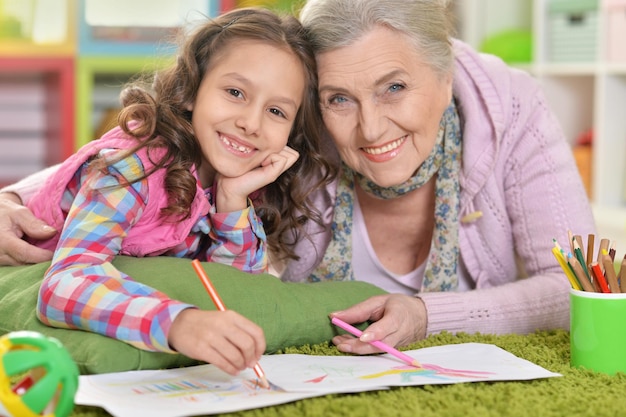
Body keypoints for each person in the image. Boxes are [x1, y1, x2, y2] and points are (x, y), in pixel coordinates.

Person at [0, 0, 597, 356]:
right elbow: (99, 171)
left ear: (447, 78)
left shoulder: (509, 109)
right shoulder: (274, 132)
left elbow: (579, 289)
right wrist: (8, 199)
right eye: (339, 99)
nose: (369, 128)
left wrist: (427, 315)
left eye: (395, 87)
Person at [0, 7, 334, 376]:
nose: (251, 123)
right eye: (235, 92)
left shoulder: (240, 184)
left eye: (276, 111)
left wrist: (232, 200)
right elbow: (63, 285)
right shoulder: (132, 166)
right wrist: (178, 323)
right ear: (191, 91)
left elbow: (237, 291)